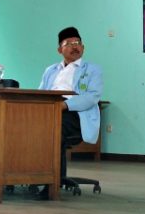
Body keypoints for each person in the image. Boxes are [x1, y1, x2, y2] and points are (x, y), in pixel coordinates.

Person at [38, 26, 103, 196]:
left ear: (83, 47)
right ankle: (28, 175)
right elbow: (40, 93)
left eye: (78, 43)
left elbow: (92, 97)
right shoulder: (51, 70)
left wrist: (65, 105)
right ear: (60, 49)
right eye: (69, 43)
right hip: (50, 109)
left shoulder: (92, 69)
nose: (75, 46)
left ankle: (52, 183)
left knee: (54, 130)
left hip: (75, 113)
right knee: (29, 127)